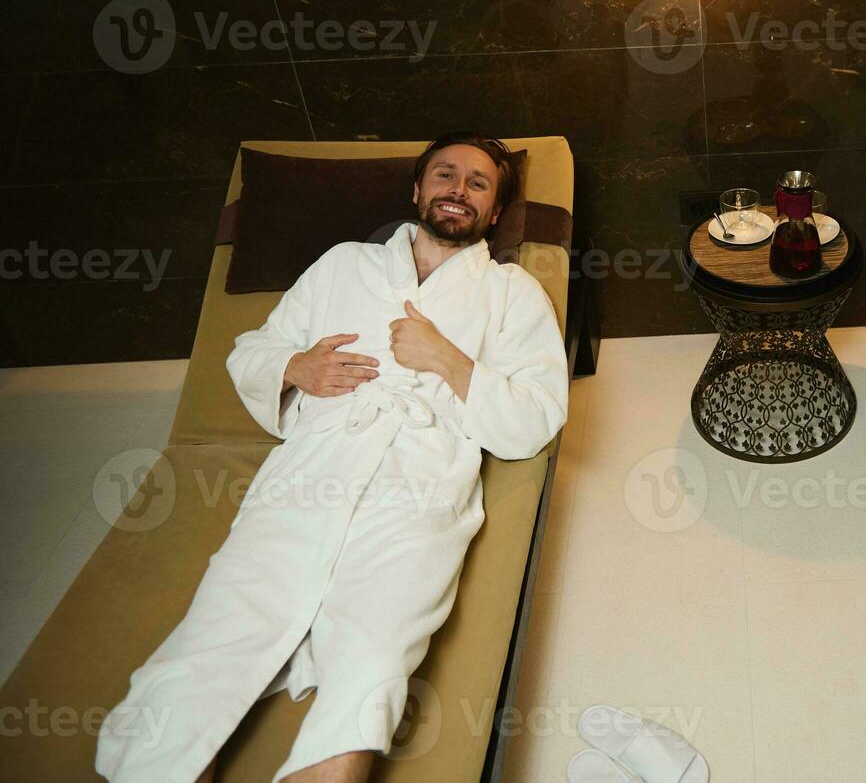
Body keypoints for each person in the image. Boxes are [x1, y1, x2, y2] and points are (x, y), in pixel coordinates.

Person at [97, 133, 569, 782]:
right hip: (310, 472)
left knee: (375, 655)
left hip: (419, 480)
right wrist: (295, 366)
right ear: (417, 190)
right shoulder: (344, 264)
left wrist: (447, 359)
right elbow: (252, 350)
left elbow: (534, 419)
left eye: (478, 183)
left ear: (492, 213)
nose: (458, 188)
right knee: (223, 628)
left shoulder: (512, 293)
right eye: (444, 174)